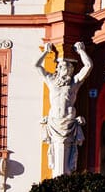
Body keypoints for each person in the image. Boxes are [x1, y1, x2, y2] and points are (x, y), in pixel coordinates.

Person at [35, 41, 93, 176]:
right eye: (63, 67)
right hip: (54, 122)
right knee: (54, 155)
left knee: (70, 156)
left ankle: (63, 180)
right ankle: (59, 181)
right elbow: (36, 66)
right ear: (58, 69)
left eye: (69, 68)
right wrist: (45, 52)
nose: (67, 69)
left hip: (69, 123)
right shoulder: (51, 81)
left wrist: (81, 51)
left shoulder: (74, 83)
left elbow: (88, 66)